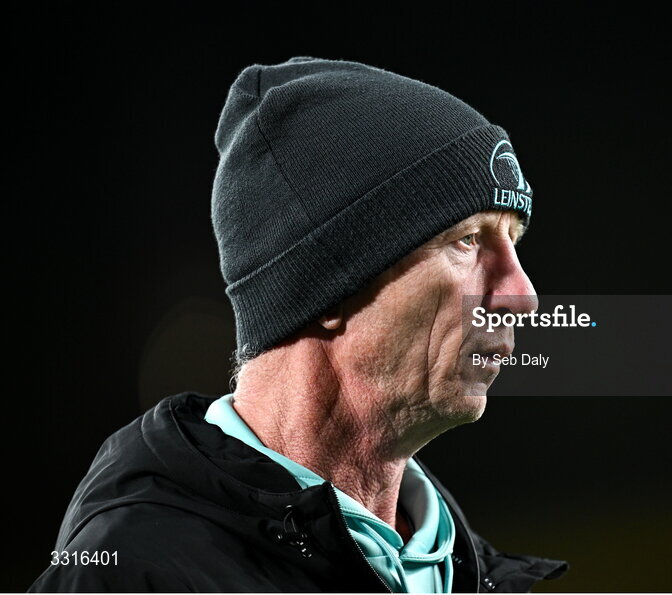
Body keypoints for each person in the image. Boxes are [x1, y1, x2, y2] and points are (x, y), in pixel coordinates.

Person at [31, 56, 568, 592]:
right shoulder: (137, 575)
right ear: (328, 284)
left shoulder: (471, 572)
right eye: (466, 240)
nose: (522, 294)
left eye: (512, 242)